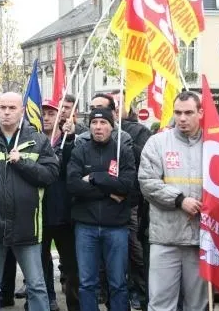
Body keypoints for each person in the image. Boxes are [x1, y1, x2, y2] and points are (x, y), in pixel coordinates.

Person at [0, 92, 59, 311]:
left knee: (37, 286)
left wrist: (23, 163)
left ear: (22, 112)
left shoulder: (37, 141)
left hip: (28, 227)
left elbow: (50, 175)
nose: (6, 112)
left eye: (12, 108)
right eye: (3, 107)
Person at [138, 91, 208, 311]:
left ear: (201, 112)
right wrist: (180, 200)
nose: (182, 118)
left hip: (200, 239)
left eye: (188, 112)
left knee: (197, 305)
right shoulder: (157, 142)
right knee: (160, 304)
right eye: (178, 112)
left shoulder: (213, 145)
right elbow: (147, 183)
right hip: (165, 238)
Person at [67, 107, 136, 311]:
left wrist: (95, 178)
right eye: (94, 123)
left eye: (103, 123)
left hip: (116, 228)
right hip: (85, 227)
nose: (98, 127)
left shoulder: (122, 151)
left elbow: (126, 186)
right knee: (87, 283)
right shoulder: (80, 150)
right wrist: (109, 191)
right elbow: (72, 185)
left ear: (111, 126)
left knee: (118, 283)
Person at [110, 90, 151, 310]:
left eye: (120, 104)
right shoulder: (103, 129)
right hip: (109, 200)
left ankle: (141, 291)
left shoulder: (140, 131)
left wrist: (123, 143)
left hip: (133, 199)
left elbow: (144, 157)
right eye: (113, 105)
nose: (116, 108)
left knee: (135, 249)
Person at [40, 99, 79, 311]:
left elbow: (74, 167)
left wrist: (70, 138)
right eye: (43, 113)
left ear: (60, 117)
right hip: (40, 213)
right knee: (41, 261)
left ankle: (74, 303)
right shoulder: (32, 140)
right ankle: (48, 299)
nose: (46, 117)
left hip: (65, 213)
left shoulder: (68, 140)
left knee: (72, 264)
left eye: (51, 113)